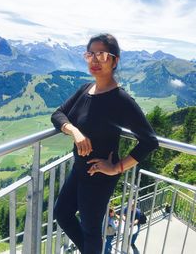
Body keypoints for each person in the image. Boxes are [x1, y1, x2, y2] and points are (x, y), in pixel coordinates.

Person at [51, 33, 159, 254]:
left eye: (101, 54)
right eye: (90, 54)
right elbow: (58, 114)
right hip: (79, 169)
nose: (94, 60)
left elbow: (149, 141)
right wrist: (74, 131)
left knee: (90, 229)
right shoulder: (85, 89)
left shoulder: (121, 100)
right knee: (62, 213)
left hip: (100, 176)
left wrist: (117, 168)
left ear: (114, 60)